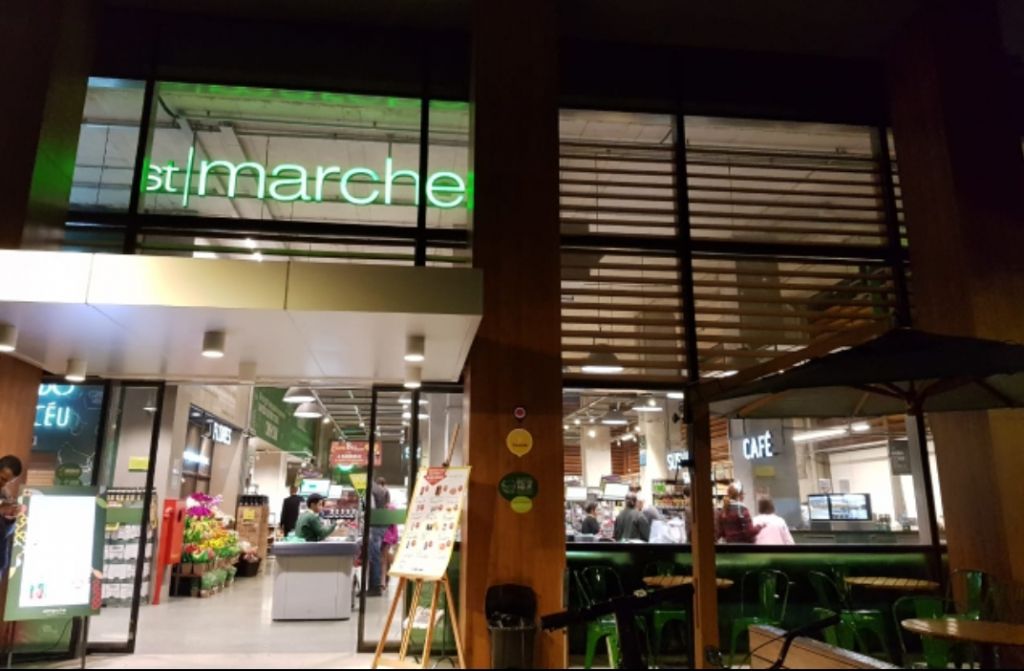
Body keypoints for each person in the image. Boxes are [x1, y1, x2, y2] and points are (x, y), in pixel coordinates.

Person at [367, 477, 391, 597]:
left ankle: (375, 587)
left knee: (374, 556)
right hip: (382, 524)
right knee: (376, 555)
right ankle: (375, 586)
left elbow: (371, 509)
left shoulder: (371, 490)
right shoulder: (383, 490)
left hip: (375, 525)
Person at [0, 456, 24, 573]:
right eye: (2, 479)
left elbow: (5, 533)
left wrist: (10, 517)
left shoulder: (5, 495)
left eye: (8, 482)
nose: (4, 484)